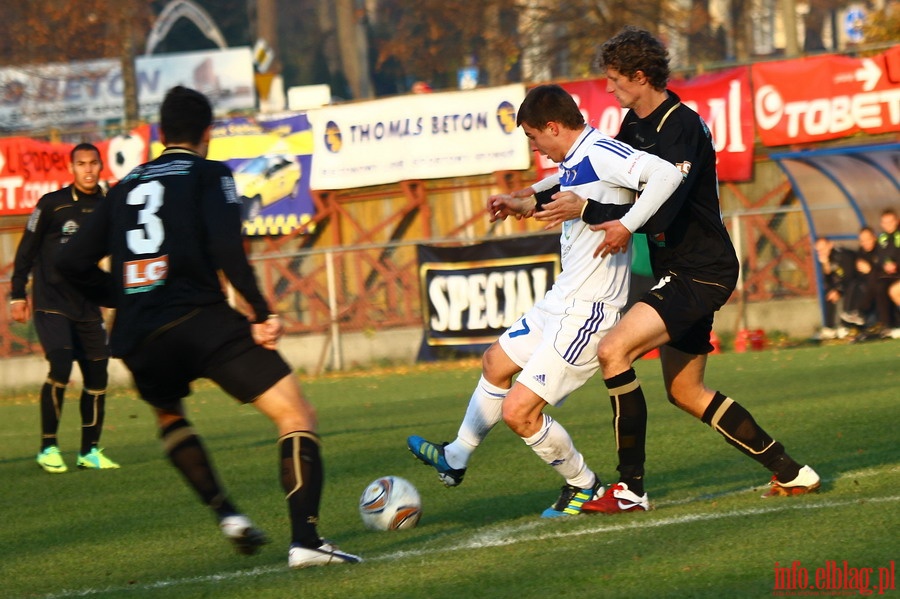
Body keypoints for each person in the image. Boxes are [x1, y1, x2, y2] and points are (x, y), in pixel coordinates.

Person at [57, 86, 360, 569]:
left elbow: (70, 264)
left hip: (138, 335)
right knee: (295, 413)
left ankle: (227, 514)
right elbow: (227, 251)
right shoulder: (210, 174)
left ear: (161, 133)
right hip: (200, 320)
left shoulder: (125, 185)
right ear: (207, 134)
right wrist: (262, 314)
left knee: (169, 417)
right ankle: (306, 540)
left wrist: (124, 294)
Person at [533, 26, 820, 512]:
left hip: (700, 269)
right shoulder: (632, 128)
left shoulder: (682, 125)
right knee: (686, 392)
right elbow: (606, 186)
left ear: (641, 77)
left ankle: (630, 490)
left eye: (616, 80)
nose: (609, 89)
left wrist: (590, 213)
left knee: (613, 350)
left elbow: (660, 212)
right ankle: (793, 472)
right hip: (678, 270)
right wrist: (535, 198)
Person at [407, 84, 683, 517]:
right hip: (559, 301)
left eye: (534, 138)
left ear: (553, 127)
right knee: (495, 361)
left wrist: (626, 225)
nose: (535, 147)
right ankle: (457, 454)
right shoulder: (577, 158)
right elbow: (562, 181)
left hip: (589, 313)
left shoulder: (604, 152)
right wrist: (522, 199)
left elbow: (667, 175)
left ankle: (584, 485)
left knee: (519, 412)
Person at [10, 142, 119, 474]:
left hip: (87, 305)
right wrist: (17, 293)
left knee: (98, 374)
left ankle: (89, 452)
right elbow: (27, 250)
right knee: (60, 365)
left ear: (101, 167)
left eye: (93, 164)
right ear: (71, 169)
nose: (87, 170)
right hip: (51, 301)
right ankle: (48, 447)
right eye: (81, 164)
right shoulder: (52, 205)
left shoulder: (107, 207)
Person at [813, 236, 867, 339]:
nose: (821, 252)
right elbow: (828, 280)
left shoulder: (843, 255)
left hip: (858, 284)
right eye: (818, 250)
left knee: (849, 288)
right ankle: (829, 328)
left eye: (823, 248)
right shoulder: (825, 260)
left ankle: (846, 325)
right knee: (829, 293)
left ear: (830, 245)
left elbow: (849, 277)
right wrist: (826, 265)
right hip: (844, 285)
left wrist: (837, 290)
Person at [874, 209, 900, 337]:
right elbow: (880, 257)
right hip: (889, 275)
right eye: (885, 222)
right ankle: (888, 325)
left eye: (891, 221)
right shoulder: (882, 238)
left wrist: (896, 265)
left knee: (893, 291)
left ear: (897, 221)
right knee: (879, 287)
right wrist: (885, 265)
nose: (888, 225)